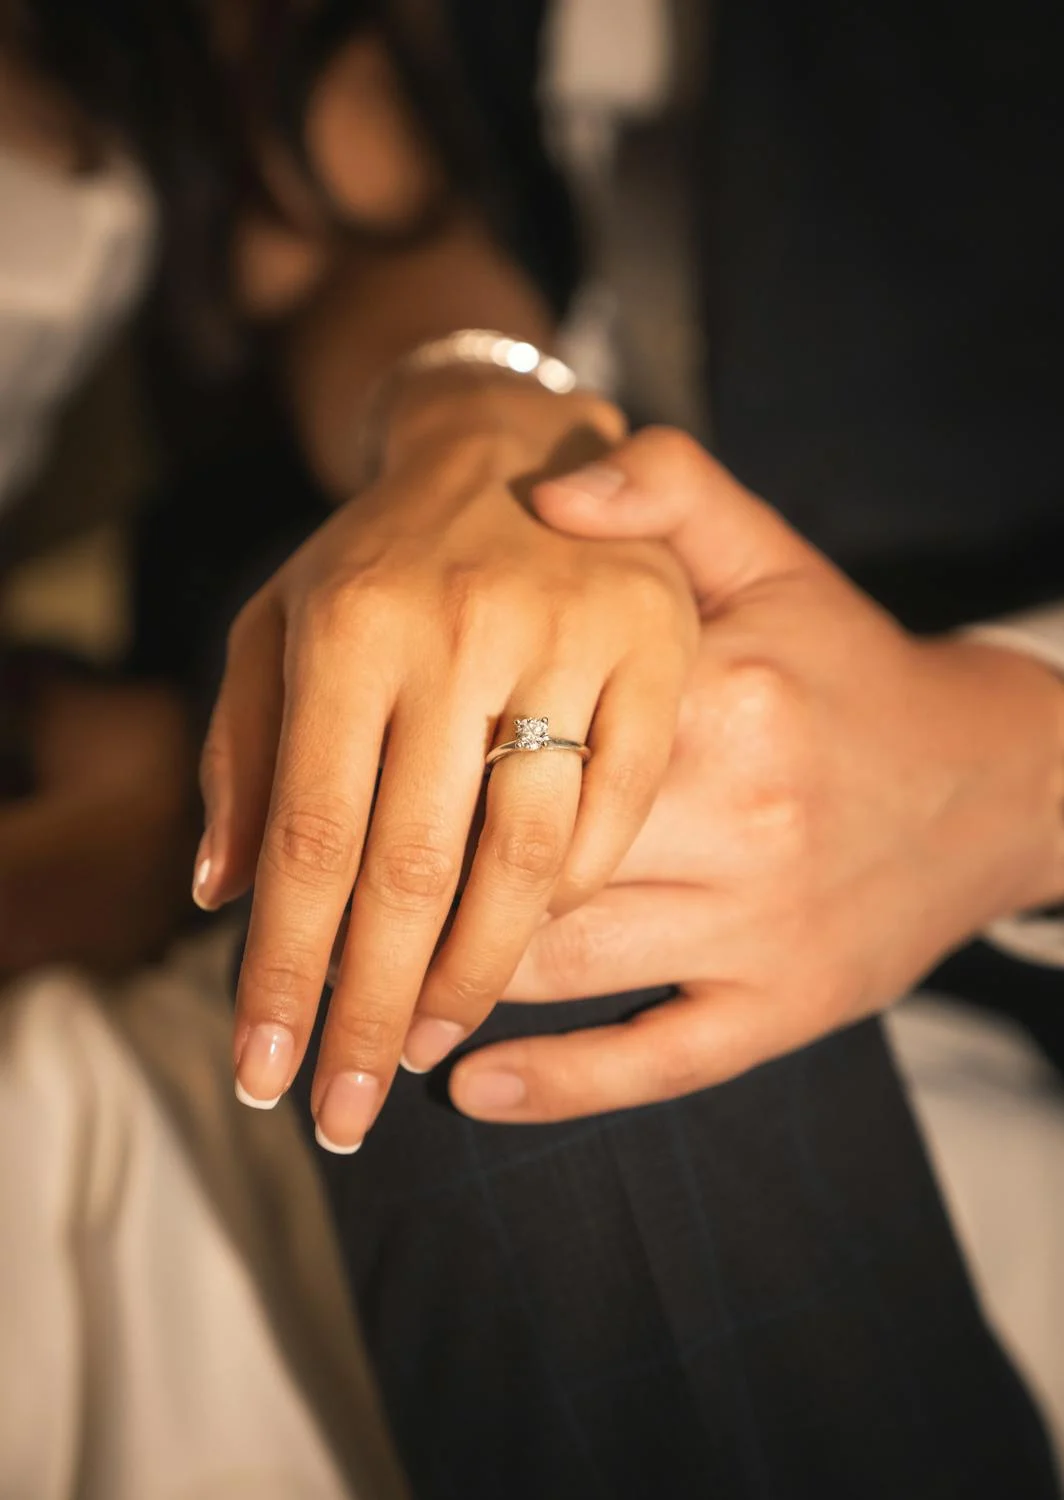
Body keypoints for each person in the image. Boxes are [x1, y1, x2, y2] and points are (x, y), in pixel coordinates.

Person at [1, 2, 1062, 1498]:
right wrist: (484, 420)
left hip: (965, 763)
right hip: (339, 586)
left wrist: (1014, 772)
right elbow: (357, 233)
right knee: (492, 851)